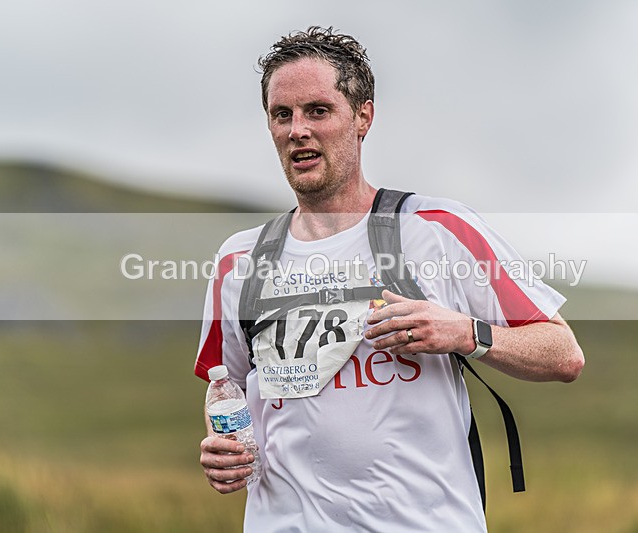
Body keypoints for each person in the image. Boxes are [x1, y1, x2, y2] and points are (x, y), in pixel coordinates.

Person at [195, 26, 584, 532]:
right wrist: (224, 451)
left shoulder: (438, 229)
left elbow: (564, 353)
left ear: (363, 117)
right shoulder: (239, 259)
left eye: (317, 110)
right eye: (281, 114)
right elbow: (228, 388)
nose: (297, 131)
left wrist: (466, 334)